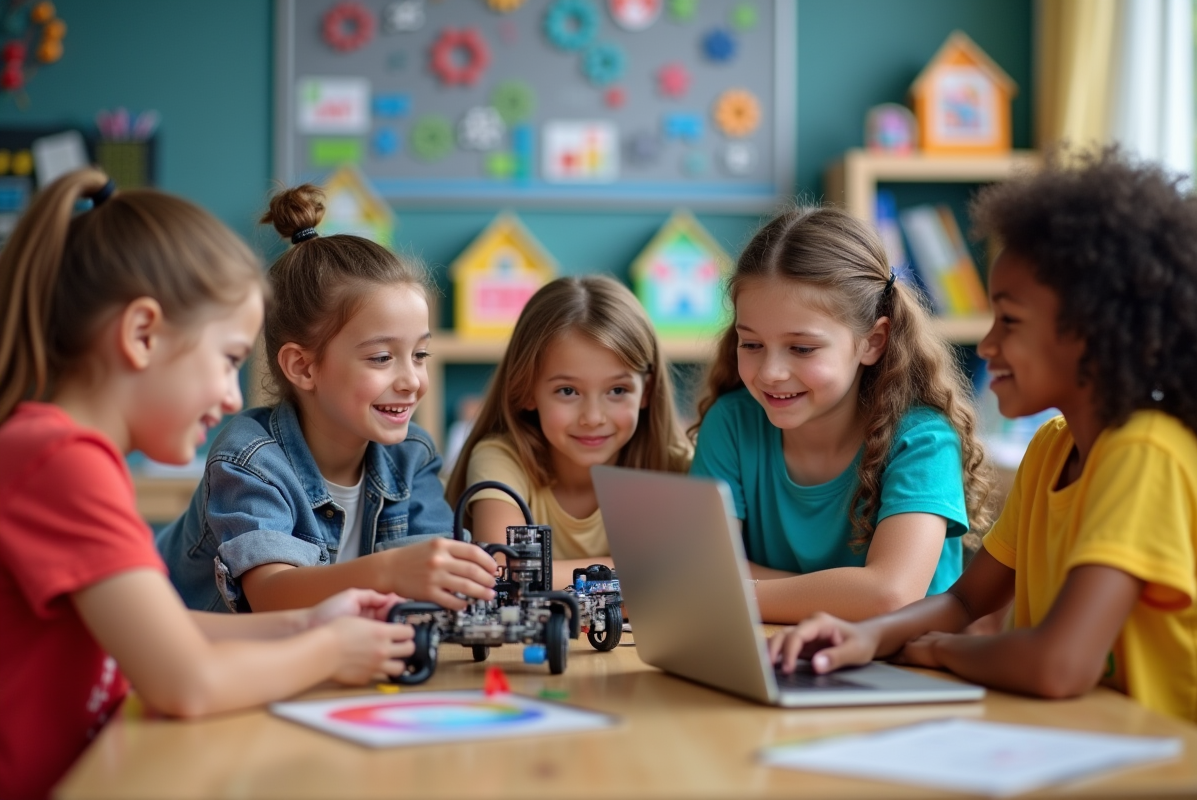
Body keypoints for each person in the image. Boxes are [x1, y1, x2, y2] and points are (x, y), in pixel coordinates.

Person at [0, 170, 416, 800]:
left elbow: (172, 626)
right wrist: (330, 651)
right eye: (226, 359)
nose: (230, 396)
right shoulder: (61, 461)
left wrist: (309, 625)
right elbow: (185, 682)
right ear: (142, 334)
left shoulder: (70, 455)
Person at [769, 149, 1197, 723]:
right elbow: (965, 599)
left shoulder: (1144, 453)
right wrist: (866, 637)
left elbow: (1059, 665)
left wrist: (940, 651)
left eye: (1011, 321)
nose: (989, 344)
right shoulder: (1052, 446)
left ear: (1098, 330)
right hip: (1075, 739)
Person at [156, 184, 497, 613]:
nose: (412, 380)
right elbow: (272, 595)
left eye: (421, 354)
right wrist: (390, 571)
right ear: (303, 367)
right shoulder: (250, 460)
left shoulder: (412, 455)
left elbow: (433, 579)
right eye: (381, 357)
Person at [691, 206, 992, 624]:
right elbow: (701, 570)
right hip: (779, 655)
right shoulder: (732, 423)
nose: (770, 373)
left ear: (872, 342)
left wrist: (724, 590)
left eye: (802, 348)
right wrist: (844, 594)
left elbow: (890, 595)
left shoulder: (923, 440)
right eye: (752, 344)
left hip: (908, 675)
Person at [446, 276, 692, 588]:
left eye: (617, 390)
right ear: (527, 390)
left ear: (647, 391)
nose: (592, 417)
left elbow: (705, 574)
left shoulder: (676, 467)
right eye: (567, 391)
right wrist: (647, 572)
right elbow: (505, 573)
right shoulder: (501, 458)